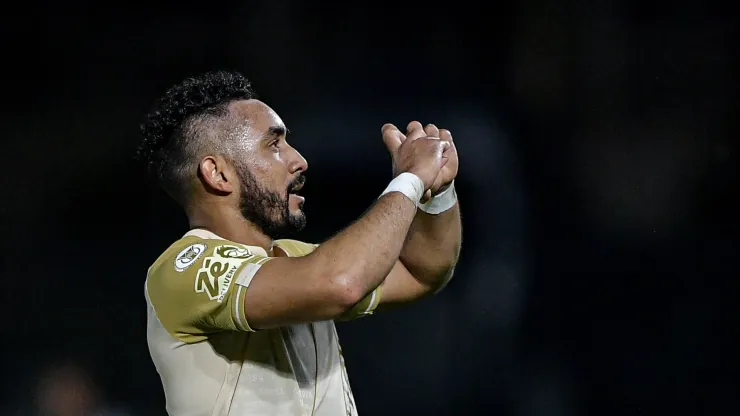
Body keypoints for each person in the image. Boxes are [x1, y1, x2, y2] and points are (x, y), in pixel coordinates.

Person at [137, 70, 462, 416]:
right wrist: (410, 181)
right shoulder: (185, 268)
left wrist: (436, 193)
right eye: (274, 144)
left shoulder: (295, 261)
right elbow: (341, 284)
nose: (299, 160)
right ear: (218, 174)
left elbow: (422, 271)